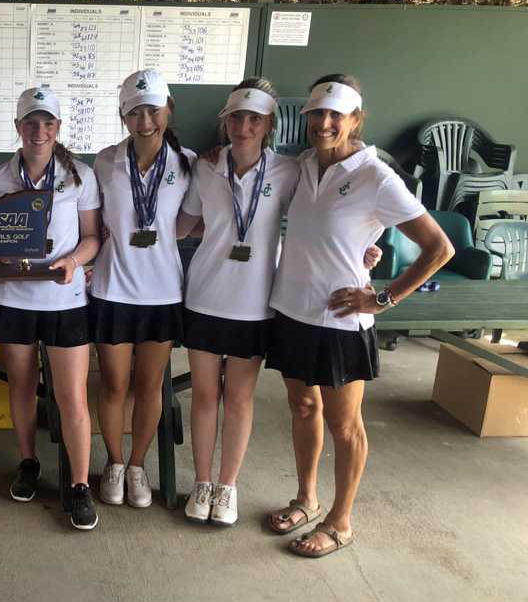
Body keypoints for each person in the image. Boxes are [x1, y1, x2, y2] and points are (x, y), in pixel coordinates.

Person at [265, 75, 453, 557]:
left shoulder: (377, 176)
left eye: (336, 115)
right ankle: (306, 499)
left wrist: (384, 299)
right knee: (303, 408)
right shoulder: (303, 166)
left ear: (355, 120)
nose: (324, 123)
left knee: (345, 426)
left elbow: (439, 248)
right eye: (316, 114)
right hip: (292, 312)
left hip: (341, 321)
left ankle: (340, 520)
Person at [176, 78, 299, 525]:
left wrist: (369, 244)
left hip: (256, 304)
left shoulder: (289, 171)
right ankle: (203, 482)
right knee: (205, 396)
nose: (243, 127)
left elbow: (327, 211)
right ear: (224, 121)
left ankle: (228, 487)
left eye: (253, 119)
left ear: (268, 123)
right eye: (236, 118)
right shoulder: (205, 168)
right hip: (205, 296)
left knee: (240, 398)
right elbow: (185, 224)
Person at [0, 88, 102, 530]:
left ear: (57, 129)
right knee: (21, 386)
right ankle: (28, 462)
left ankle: (79, 485)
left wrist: (73, 261)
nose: (38, 131)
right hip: (14, 299)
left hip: (64, 300)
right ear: (18, 128)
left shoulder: (81, 176)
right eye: (30, 123)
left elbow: (93, 237)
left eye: (47, 123)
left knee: (71, 396)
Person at [90, 69, 194, 509]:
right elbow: (92, 222)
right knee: (115, 384)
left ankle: (137, 466)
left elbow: (190, 223)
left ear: (169, 109)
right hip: (113, 289)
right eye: (135, 112)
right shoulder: (105, 161)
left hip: (162, 293)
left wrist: (162, 238)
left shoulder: (189, 163)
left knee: (151, 386)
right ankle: (113, 462)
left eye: (153, 110)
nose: (145, 120)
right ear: (123, 116)